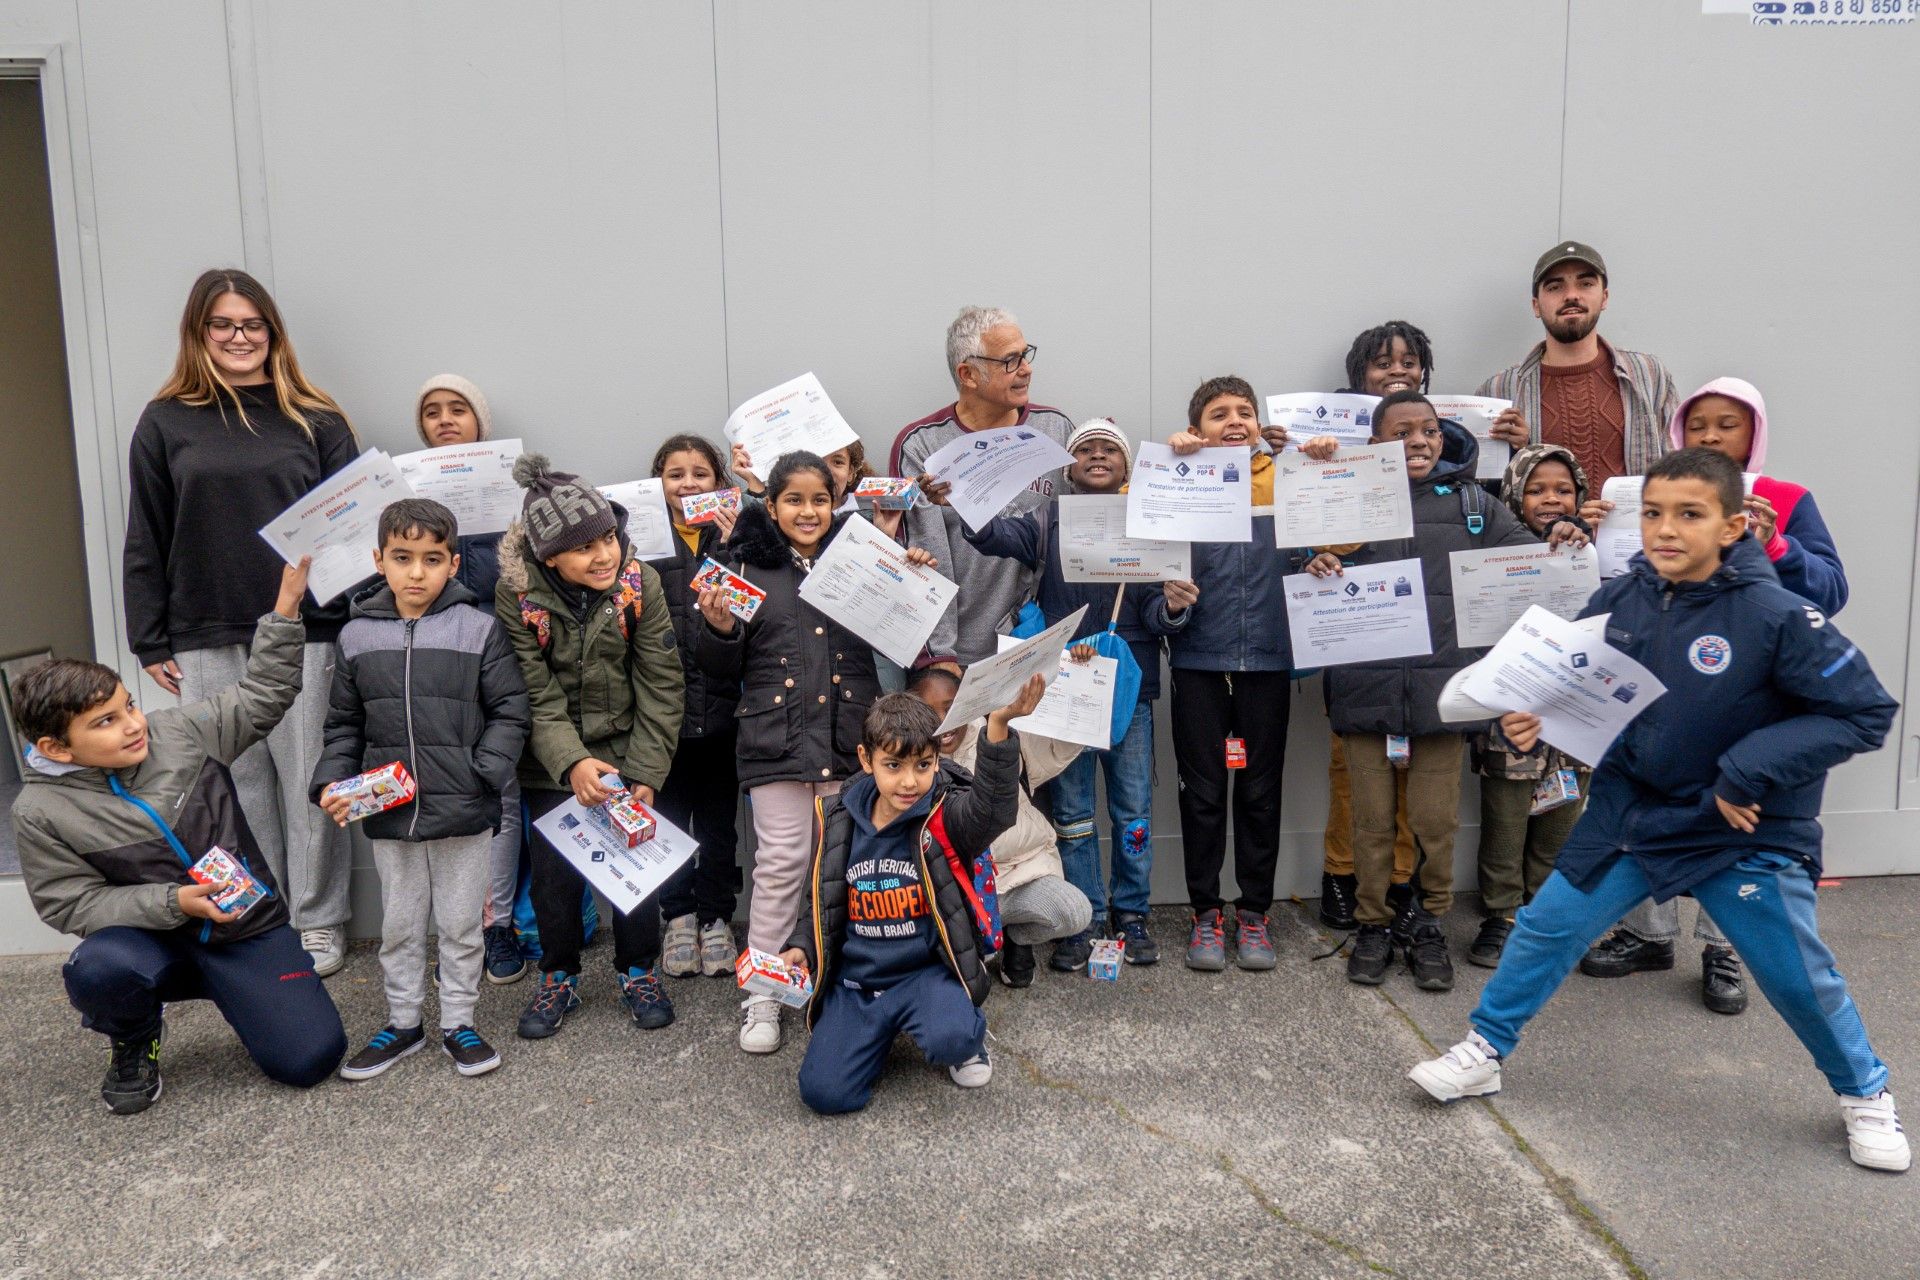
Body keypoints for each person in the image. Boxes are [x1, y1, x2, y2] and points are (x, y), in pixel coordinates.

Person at [1411, 448, 1907, 1175]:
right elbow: (1570, 681)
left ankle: (1866, 1093)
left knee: (1796, 977)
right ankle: (1485, 1050)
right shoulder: (1623, 596)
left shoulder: (1779, 615)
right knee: (1546, 929)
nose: (1664, 530)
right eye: (1651, 513)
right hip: (1632, 813)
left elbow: (1864, 713)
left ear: (1734, 525)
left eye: (1689, 514)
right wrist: (1532, 718)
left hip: (1740, 827)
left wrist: (1744, 773)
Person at [12, 558, 346, 1113]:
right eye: (105, 722)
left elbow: (262, 695)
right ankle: (135, 1035)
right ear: (55, 749)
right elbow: (69, 904)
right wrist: (175, 902)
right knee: (98, 968)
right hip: (153, 940)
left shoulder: (181, 732)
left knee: (310, 1058)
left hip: (244, 930)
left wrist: (286, 608)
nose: (134, 725)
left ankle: (246, 991)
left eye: (129, 707)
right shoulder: (39, 811)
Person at [1580, 376, 1852, 1012]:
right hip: (1669, 681)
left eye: (1727, 424)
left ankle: (1723, 948)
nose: (1710, 435)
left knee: (1737, 808)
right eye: (1698, 424)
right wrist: (1593, 537)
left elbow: (1831, 591)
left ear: (1753, 433)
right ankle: (1648, 933)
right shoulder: (1658, 495)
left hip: (1754, 689)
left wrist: (1777, 545)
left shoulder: (1786, 498)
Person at [122, 268, 360, 977]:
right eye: (222, 324)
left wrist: (355, 621)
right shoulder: (165, 421)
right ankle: (267, 915)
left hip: (308, 627)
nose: (238, 337)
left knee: (305, 781)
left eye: (252, 324)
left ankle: (320, 922)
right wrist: (149, 634)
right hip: (202, 627)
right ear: (199, 333)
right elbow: (147, 532)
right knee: (236, 787)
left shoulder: (315, 418)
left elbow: (355, 525)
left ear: (272, 332)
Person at [694, 452, 930, 1054]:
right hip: (775, 742)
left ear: (837, 501)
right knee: (780, 865)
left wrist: (910, 576)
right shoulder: (740, 567)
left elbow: (904, 634)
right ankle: (764, 995)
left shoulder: (862, 560)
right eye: (793, 500)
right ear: (770, 507)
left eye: (819, 499)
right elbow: (720, 670)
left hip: (848, 740)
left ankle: (837, 980)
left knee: (843, 865)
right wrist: (719, 629)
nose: (808, 510)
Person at [1304, 392, 1541, 992]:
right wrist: (1316, 564)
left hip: (1445, 694)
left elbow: (1531, 564)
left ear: (1444, 438)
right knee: (1373, 822)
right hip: (1365, 690)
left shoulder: (1473, 505)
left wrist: (1563, 532)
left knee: (1436, 822)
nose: (1419, 440)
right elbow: (1298, 562)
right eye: (1402, 430)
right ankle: (1374, 924)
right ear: (1376, 442)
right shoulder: (1343, 500)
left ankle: (1428, 923)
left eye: (1430, 430)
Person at [940, 417, 1180, 970]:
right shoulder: (1046, 519)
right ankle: (1087, 917)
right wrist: (963, 500)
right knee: (1072, 813)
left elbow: (1156, 613)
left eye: (1109, 450)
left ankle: (1133, 912)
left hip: (1127, 688)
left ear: (1127, 465)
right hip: (1060, 690)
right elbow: (992, 537)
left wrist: (1171, 606)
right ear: (1070, 465)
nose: (1098, 457)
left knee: (1133, 809)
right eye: (1086, 450)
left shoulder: (1150, 519)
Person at [313, 498, 531, 1081]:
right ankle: (403, 1023)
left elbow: (510, 710)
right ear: (378, 559)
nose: (416, 573)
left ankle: (460, 1022)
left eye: (432, 559)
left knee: (462, 922)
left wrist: (483, 771)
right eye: (402, 558)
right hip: (391, 811)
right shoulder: (356, 635)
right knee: (401, 924)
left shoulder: (479, 628)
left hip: (464, 807)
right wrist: (333, 782)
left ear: (453, 564)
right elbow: (343, 724)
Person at [783, 681, 1041, 1114]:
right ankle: (873, 1039)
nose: (909, 781)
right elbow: (821, 899)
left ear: (938, 760)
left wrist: (999, 724)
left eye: (923, 765)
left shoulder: (945, 815)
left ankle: (963, 1037)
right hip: (858, 984)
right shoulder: (839, 819)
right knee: (824, 1095)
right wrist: (800, 946)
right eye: (894, 765)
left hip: (925, 976)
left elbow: (994, 810)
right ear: (866, 760)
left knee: (953, 1037)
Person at [495, 455, 685, 1041]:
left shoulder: (639, 583)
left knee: (637, 870)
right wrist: (572, 763)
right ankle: (558, 974)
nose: (604, 555)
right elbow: (532, 692)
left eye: (609, 537)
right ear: (549, 556)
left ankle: (638, 969)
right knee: (554, 879)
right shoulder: (517, 596)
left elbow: (661, 681)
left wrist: (646, 770)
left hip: (630, 747)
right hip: (551, 759)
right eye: (585, 548)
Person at [1161, 377, 1299, 973]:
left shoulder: (1285, 479)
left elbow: (1336, 531)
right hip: (1197, 664)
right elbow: (1142, 569)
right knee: (1204, 798)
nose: (1235, 421)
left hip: (1268, 662)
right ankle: (1204, 915)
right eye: (1219, 415)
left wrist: (1301, 455)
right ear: (1197, 430)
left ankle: (1255, 914)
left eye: (1246, 412)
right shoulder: (1172, 483)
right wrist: (1174, 603)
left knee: (1262, 796)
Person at [412, 373, 530, 985]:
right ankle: (454, 928)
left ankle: (497, 924)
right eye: (432, 412)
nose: (445, 420)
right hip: (430, 658)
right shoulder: (404, 495)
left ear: (479, 421)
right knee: (444, 791)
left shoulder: (509, 488)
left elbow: (511, 576)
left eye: (458, 409)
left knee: (502, 789)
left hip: (497, 651)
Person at [1319, 321, 1435, 930]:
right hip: (1357, 626)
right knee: (1351, 766)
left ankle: (1400, 881)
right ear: (1358, 377)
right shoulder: (1333, 451)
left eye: (1409, 361)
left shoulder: (1444, 451)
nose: (1397, 371)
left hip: (1426, 639)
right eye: (1381, 363)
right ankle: (1340, 876)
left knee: (1415, 765)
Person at [1466, 445, 1595, 967]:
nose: (1551, 499)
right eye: (1537, 489)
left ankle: (1544, 915)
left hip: (1575, 711)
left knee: (1563, 814)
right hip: (1512, 714)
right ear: (1515, 493)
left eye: (1563, 489)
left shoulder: (1597, 550)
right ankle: (1501, 916)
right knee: (1507, 817)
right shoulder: (1491, 548)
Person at [891, 306, 1073, 666]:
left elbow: (1074, 544)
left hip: (1044, 651)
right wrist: (940, 661)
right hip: (962, 659)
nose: (1026, 368)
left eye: (1026, 354)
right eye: (1010, 360)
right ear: (968, 374)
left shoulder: (1056, 430)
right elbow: (925, 557)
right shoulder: (921, 446)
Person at [904, 665, 1092, 986]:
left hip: (1020, 869)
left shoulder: (996, 727)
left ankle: (1017, 938)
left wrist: (1081, 676)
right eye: (928, 711)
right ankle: (983, 938)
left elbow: (1057, 747)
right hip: (959, 889)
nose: (942, 721)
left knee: (1075, 912)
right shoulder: (909, 765)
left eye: (950, 708)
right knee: (965, 967)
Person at [648, 433, 746, 980]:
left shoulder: (737, 536)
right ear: (658, 483)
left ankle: (715, 918)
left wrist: (734, 544)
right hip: (661, 717)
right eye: (676, 474)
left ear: (719, 482)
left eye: (700, 473)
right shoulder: (637, 539)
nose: (688, 484)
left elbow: (752, 608)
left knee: (718, 827)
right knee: (665, 821)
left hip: (725, 713)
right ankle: (678, 916)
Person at [1476, 241, 1678, 492]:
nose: (1571, 295)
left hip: (1636, 531)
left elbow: (1678, 471)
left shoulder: (1649, 376)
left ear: (1604, 297)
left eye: (1586, 283)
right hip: (1536, 533)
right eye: (1555, 286)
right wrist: (1516, 451)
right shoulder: (1499, 391)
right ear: (1536, 305)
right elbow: (1484, 491)